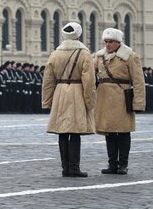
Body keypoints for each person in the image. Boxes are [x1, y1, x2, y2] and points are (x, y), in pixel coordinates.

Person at [41, 22, 95, 178]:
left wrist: (47, 101)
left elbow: (48, 80)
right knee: (75, 132)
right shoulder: (84, 54)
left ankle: (65, 167)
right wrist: (90, 101)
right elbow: (89, 81)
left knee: (62, 132)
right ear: (79, 35)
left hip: (60, 93)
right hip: (77, 92)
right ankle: (74, 167)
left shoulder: (55, 53)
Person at [93, 27, 145, 175]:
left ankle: (123, 164)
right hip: (104, 98)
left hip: (122, 97)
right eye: (106, 42)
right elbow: (89, 71)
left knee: (123, 132)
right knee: (108, 132)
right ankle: (112, 164)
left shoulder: (129, 56)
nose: (107, 45)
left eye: (110, 42)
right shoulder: (99, 56)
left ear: (118, 42)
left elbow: (138, 80)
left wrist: (138, 102)